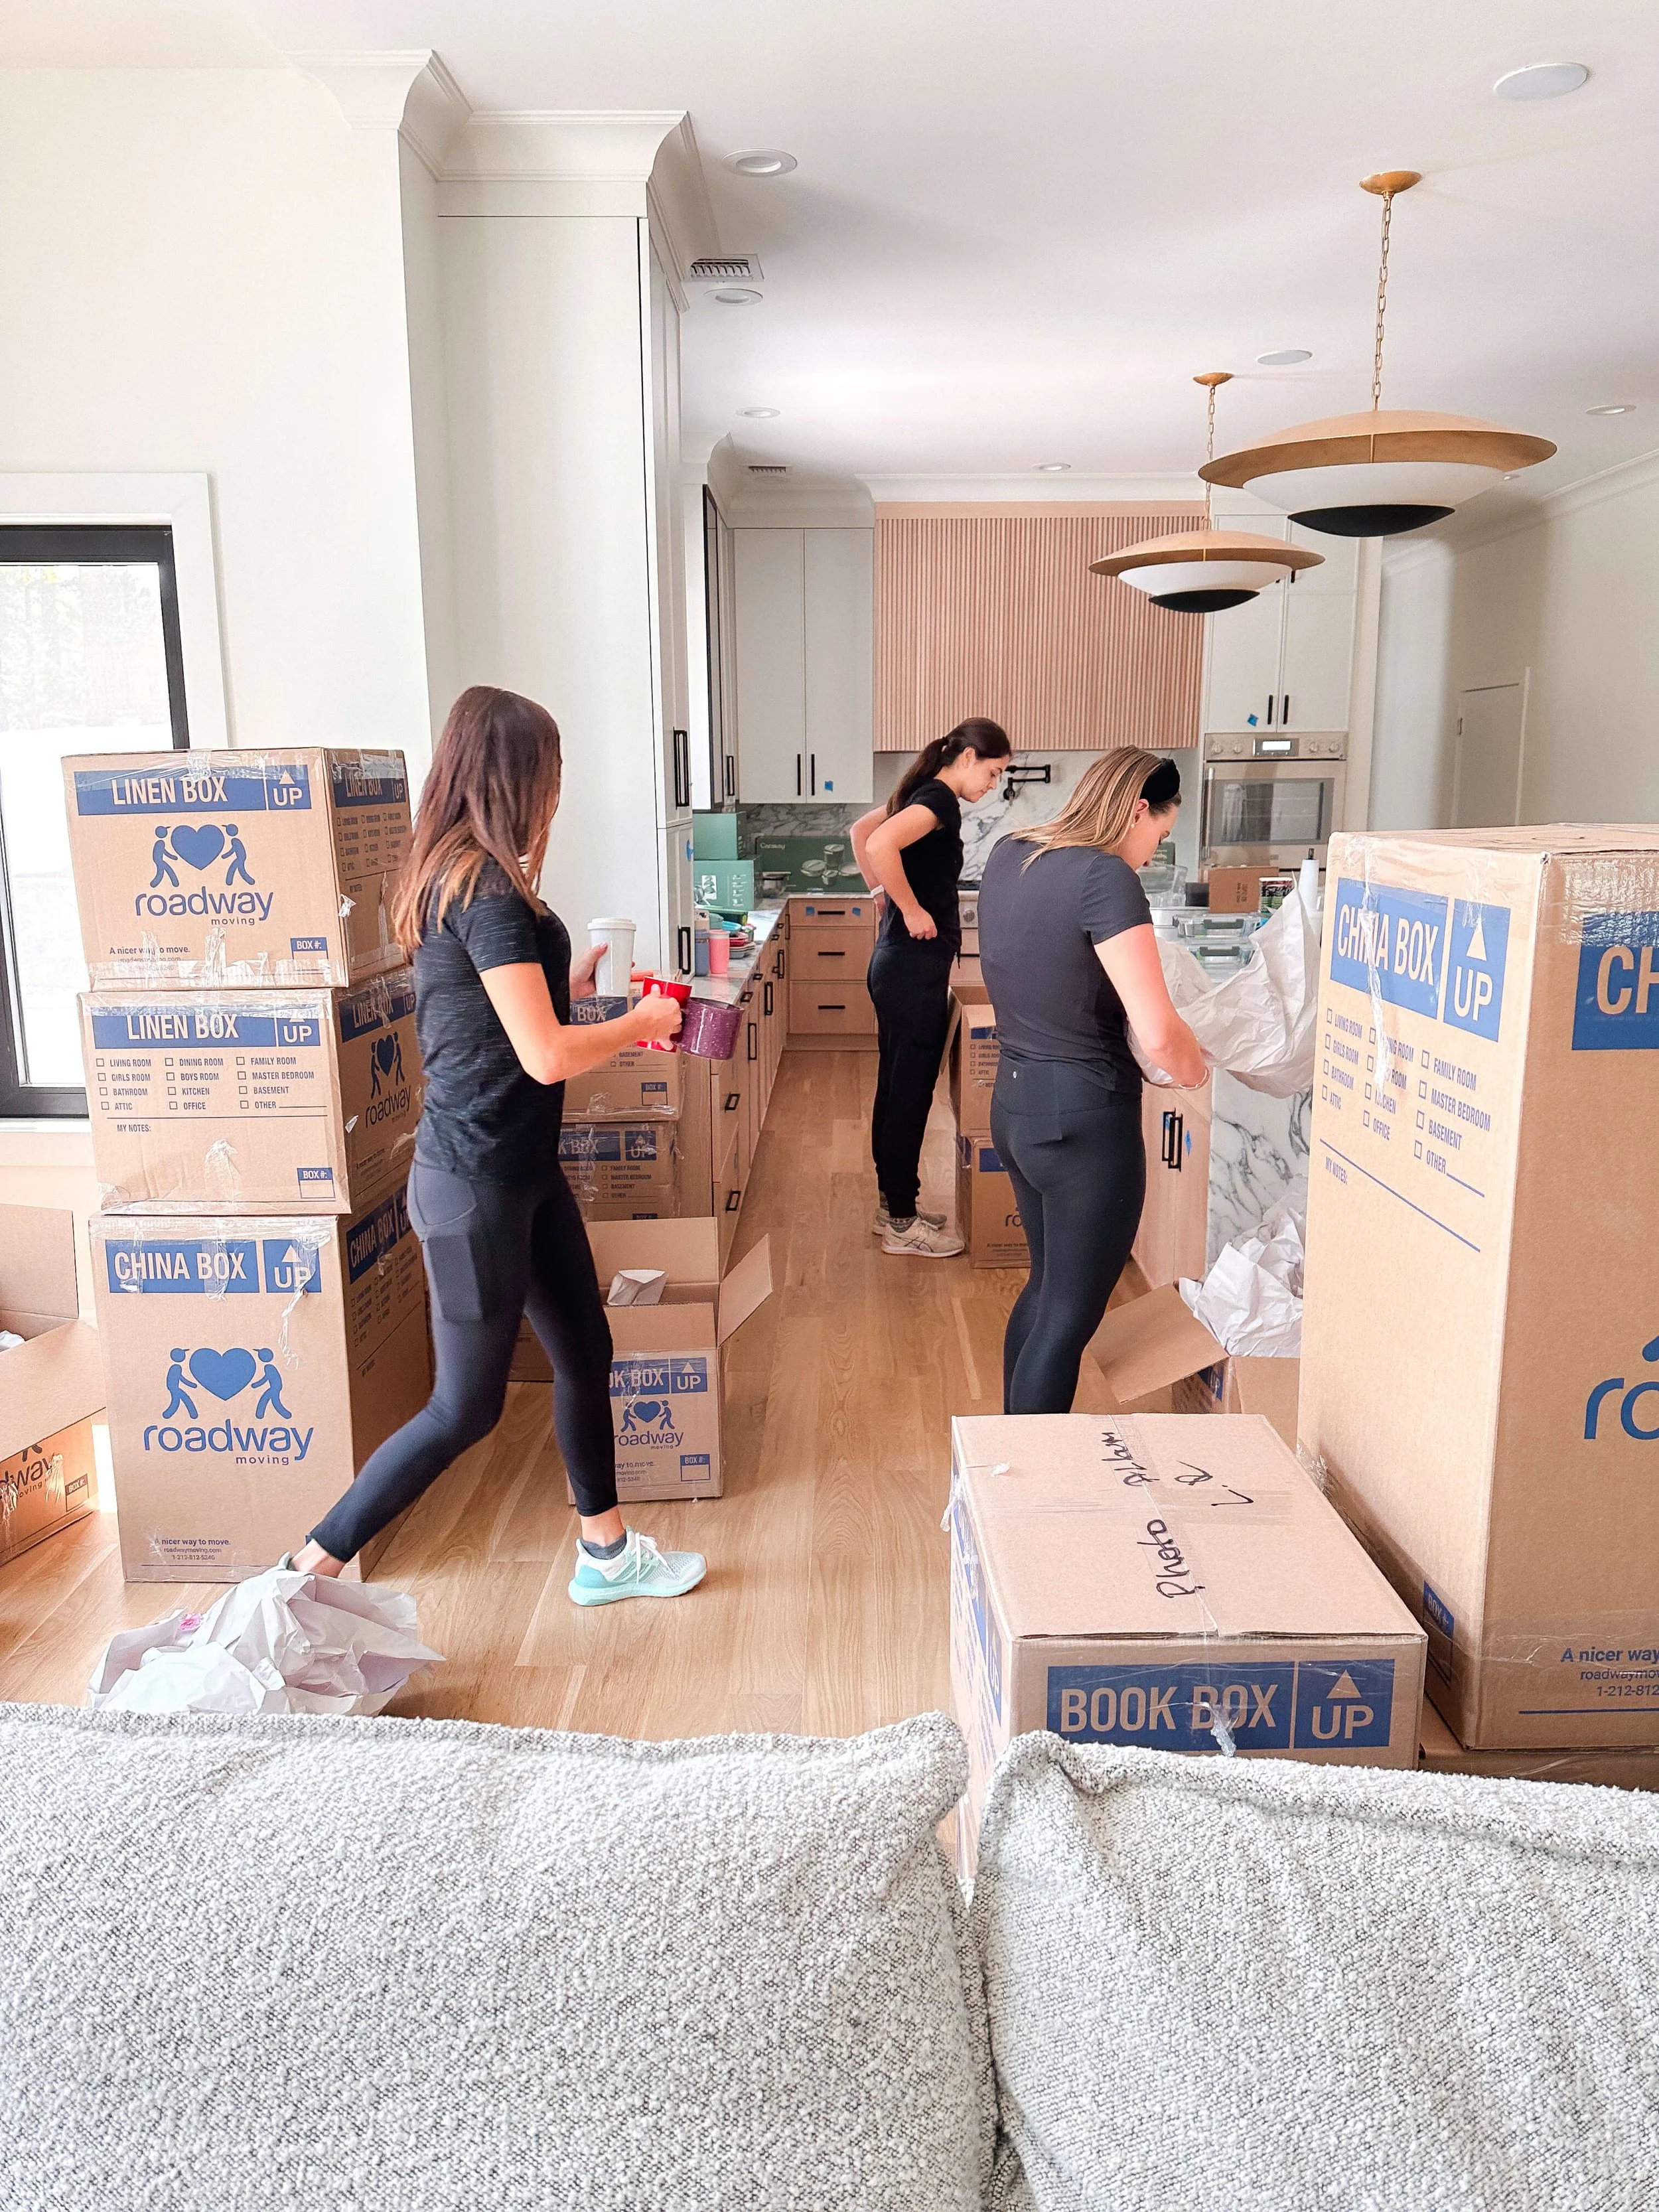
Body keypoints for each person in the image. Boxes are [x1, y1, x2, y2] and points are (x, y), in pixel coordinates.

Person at [289, 686, 705, 1607]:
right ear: (517, 777)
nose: (557, 791)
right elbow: (547, 1054)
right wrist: (641, 1020)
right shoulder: (486, 890)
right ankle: (302, 1573)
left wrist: (572, 977)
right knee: (463, 1408)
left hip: (520, 1172)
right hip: (475, 1184)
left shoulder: (460, 873)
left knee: (586, 1349)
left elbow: (491, 1015)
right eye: (551, 772)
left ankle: (606, 1553)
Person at [977, 747, 1205, 1414]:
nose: (1151, 854)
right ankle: (1023, 1488)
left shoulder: (1011, 854)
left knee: (1046, 1292)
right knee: (1070, 1317)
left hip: (1017, 1106)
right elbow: (1159, 1032)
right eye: (1158, 836)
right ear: (1139, 809)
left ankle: (1001, 1464)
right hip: (1084, 1122)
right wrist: (1195, 1075)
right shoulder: (1104, 878)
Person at [849, 718, 1011, 1257]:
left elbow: (862, 835)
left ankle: (892, 1207)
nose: (993, 785)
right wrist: (910, 907)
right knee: (910, 1094)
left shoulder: (919, 792)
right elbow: (878, 841)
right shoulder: (938, 798)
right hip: (910, 968)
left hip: (898, 965)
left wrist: (882, 890)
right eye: (992, 772)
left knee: (896, 1088)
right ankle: (901, 1221)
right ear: (966, 757)